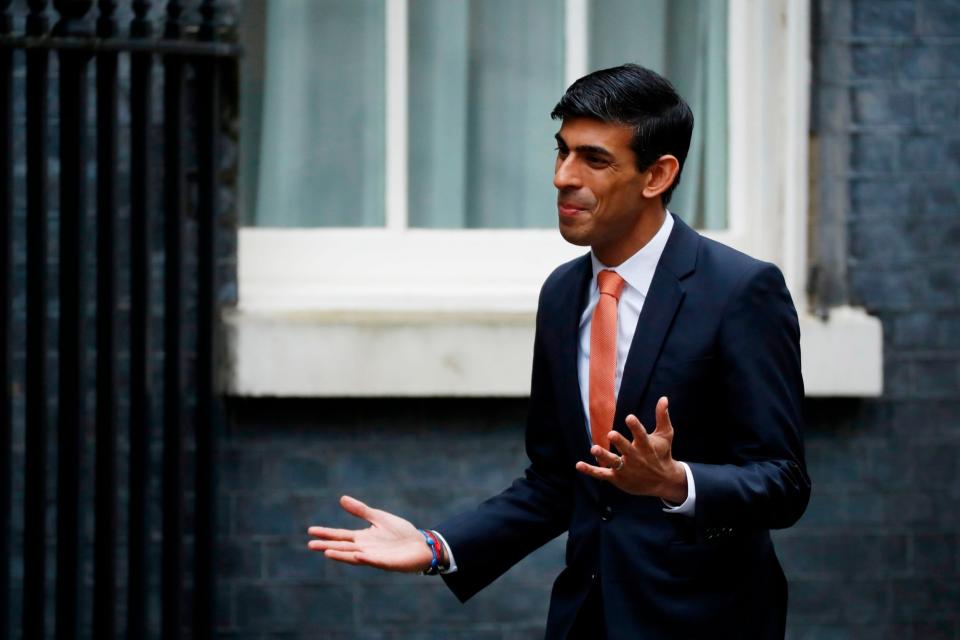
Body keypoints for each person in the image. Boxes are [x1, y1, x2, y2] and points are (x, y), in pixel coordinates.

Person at [307, 63, 810, 639]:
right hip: (584, 618)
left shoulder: (741, 291)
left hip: (705, 620)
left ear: (657, 175)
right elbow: (557, 479)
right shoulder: (563, 292)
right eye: (562, 152)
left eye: (594, 160)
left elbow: (784, 483)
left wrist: (677, 482)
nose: (563, 177)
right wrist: (437, 545)